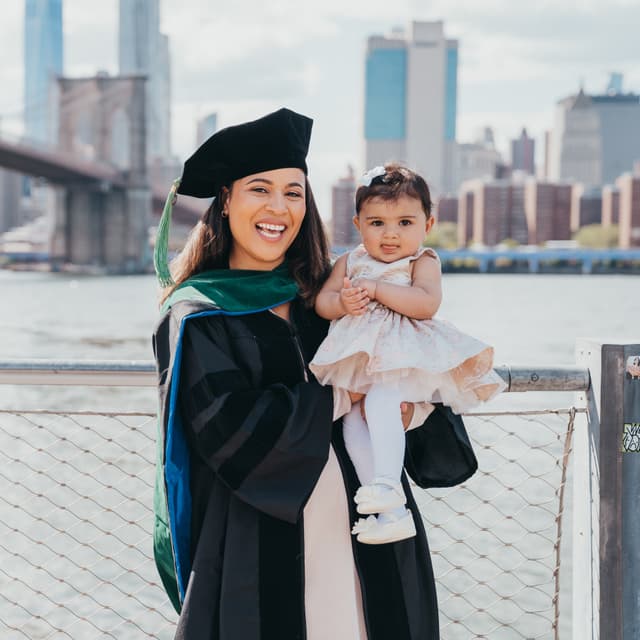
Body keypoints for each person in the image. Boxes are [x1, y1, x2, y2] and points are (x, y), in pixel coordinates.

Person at [152, 108, 479, 640]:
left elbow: (411, 369)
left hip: (373, 537)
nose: (279, 207)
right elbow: (222, 428)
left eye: (294, 192)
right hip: (262, 546)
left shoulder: (328, 300)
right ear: (228, 200)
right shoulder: (199, 315)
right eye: (260, 189)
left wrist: (413, 408)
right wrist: (339, 397)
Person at [310, 163, 506, 546]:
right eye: (377, 223)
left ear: (427, 225)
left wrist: (376, 288)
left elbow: (425, 303)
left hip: (404, 355)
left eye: (404, 223)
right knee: (354, 421)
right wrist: (343, 302)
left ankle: (386, 482)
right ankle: (388, 509)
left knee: (383, 403)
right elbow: (322, 302)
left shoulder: (422, 261)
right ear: (358, 223)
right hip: (364, 357)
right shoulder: (348, 262)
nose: (390, 234)